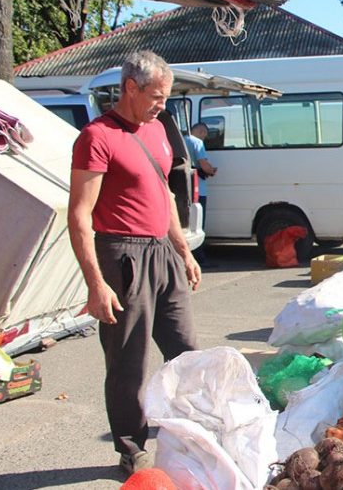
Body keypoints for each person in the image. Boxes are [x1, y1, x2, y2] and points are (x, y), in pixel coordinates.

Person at [68, 50, 201, 475]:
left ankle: (195, 430)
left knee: (186, 351)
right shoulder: (97, 136)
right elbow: (79, 214)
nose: (163, 103)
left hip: (163, 250)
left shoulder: (159, 129)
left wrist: (183, 251)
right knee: (128, 361)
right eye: (157, 96)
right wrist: (95, 283)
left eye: (165, 96)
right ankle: (131, 448)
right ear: (130, 87)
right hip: (122, 254)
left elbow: (164, 195)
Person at [184, 122, 217, 263]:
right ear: (202, 131)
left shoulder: (180, 140)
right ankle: (199, 258)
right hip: (198, 189)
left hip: (182, 188)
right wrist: (211, 170)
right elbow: (203, 164)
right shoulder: (197, 142)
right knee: (198, 224)